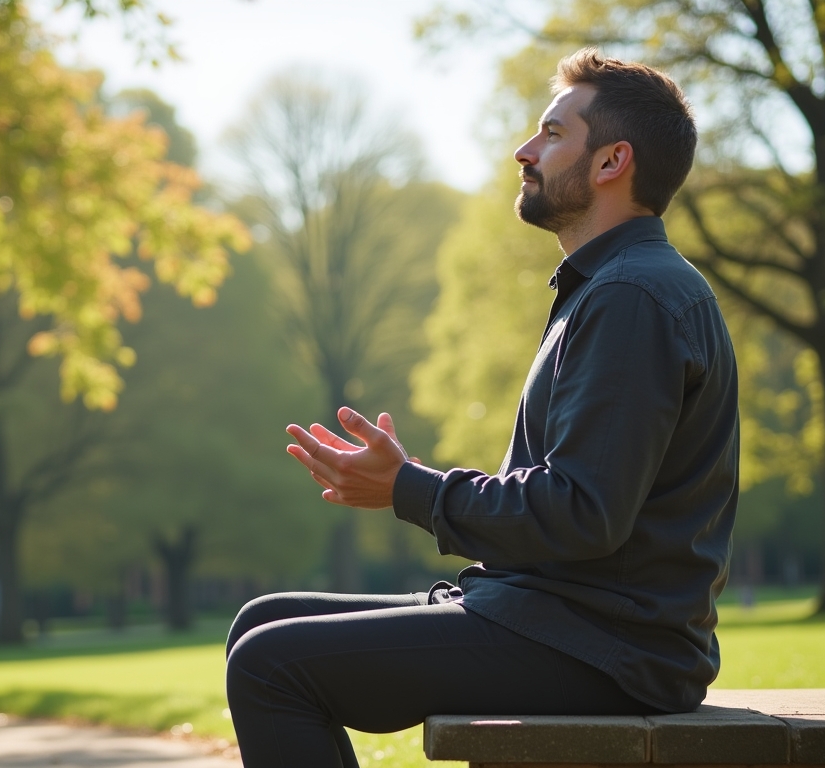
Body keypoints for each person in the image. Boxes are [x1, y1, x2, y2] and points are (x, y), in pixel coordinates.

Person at [224, 48, 740, 768]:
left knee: (269, 664)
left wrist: (412, 489)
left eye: (553, 134)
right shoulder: (612, 287)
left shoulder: (632, 297)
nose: (524, 151)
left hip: (608, 648)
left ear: (612, 161)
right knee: (262, 622)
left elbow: (583, 511)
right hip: (565, 621)